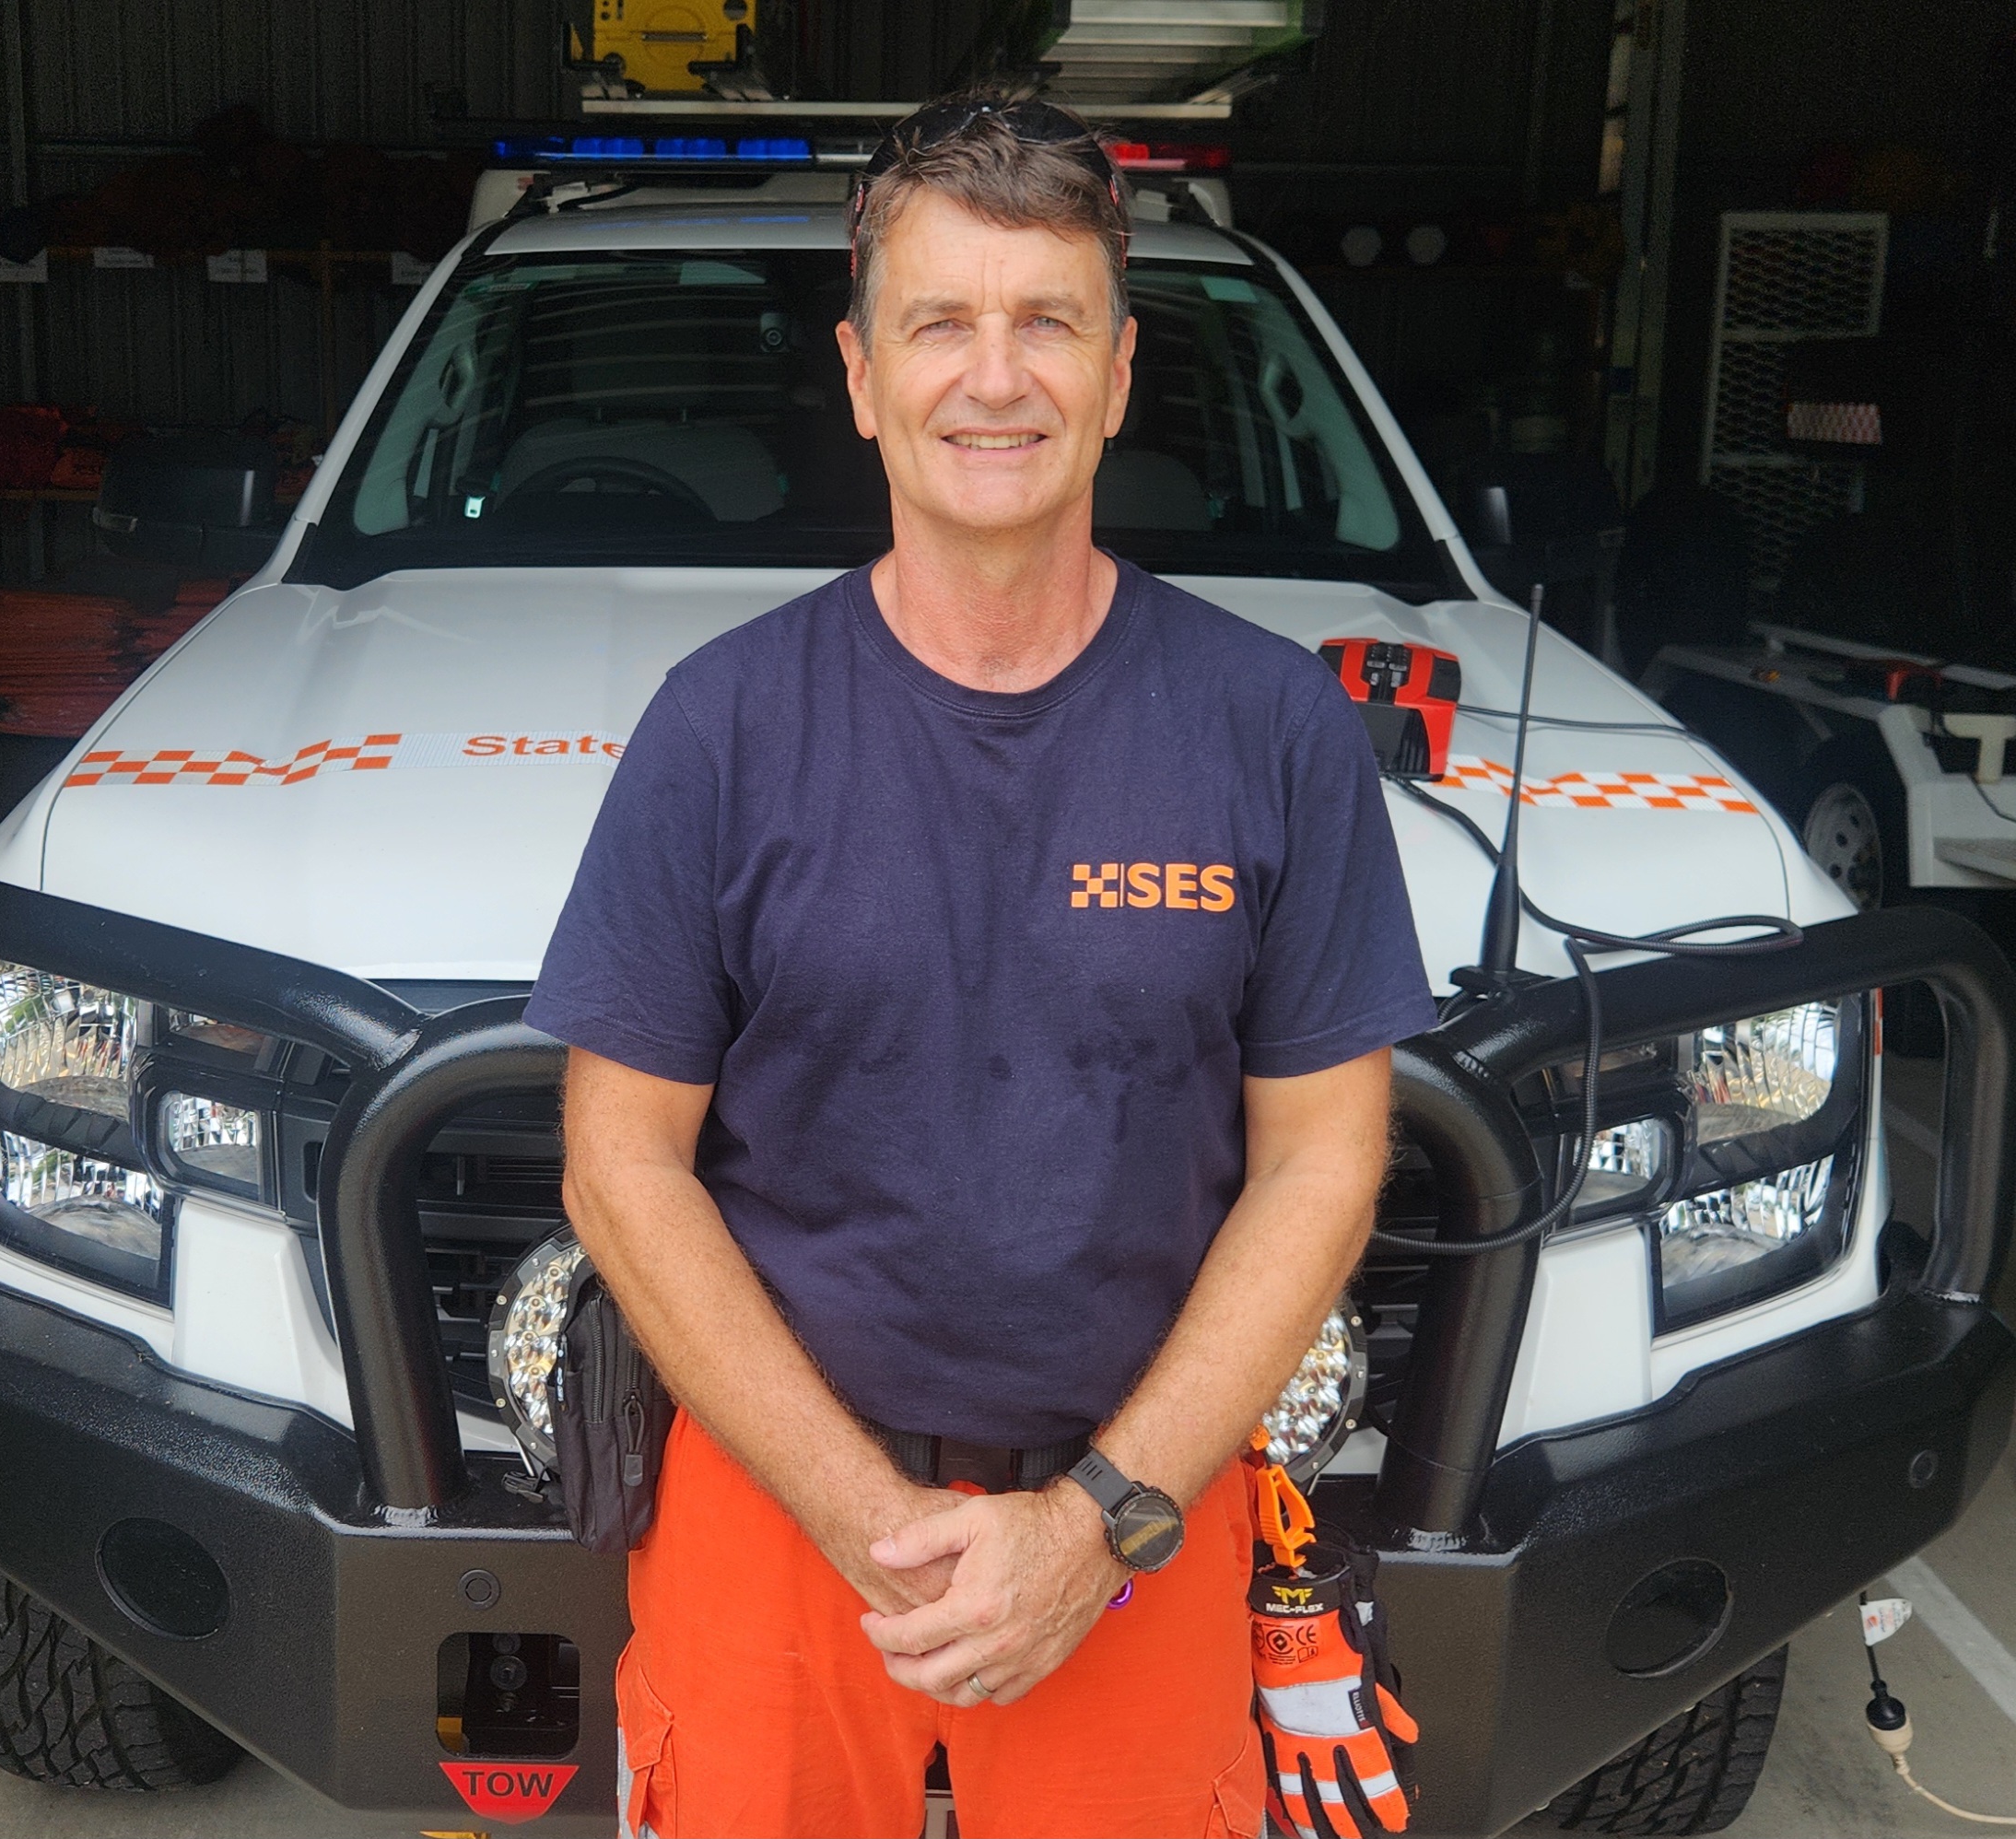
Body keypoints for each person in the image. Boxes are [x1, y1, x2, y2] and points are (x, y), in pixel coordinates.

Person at [524, 93, 1438, 1839]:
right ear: (863, 376)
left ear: (1118, 372)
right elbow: (616, 1163)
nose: (995, 378)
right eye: (942, 322)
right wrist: (868, 1516)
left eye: (1049, 323)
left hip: (1143, 1500)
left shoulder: (1271, 729)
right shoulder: (722, 726)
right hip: (774, 1500)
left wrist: (1094, 1527)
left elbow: (1326, 1157)